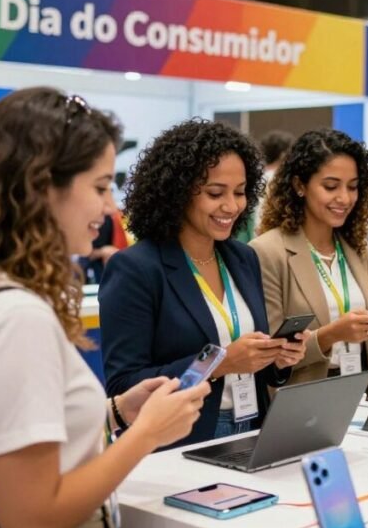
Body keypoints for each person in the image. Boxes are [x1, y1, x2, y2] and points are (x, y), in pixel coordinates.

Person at [0, 87, 208, 528]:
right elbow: (31, 518)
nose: (110, 207)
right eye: (99, 187)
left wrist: (116, 412)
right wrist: (147, 433)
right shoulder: (15, 318)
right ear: (41, 186)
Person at [102, 119, 305, 448]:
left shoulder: (243, 258)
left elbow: (256, 367)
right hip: (183, 440)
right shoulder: (136, 268)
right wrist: (218, 363)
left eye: (240, 193)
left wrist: (278, 358)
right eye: (215, 193)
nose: (231, 206)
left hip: (253, 426)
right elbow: (124, 385)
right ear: (178, 191)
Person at [251, 129, 368, 395]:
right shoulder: (267, 252)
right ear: (300, 186)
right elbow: (271, 354)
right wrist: (331, 335)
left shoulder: (358, 249)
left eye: (353, 187)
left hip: (361, 392)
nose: (344, 198)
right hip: (304, 402)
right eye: (330, 187)